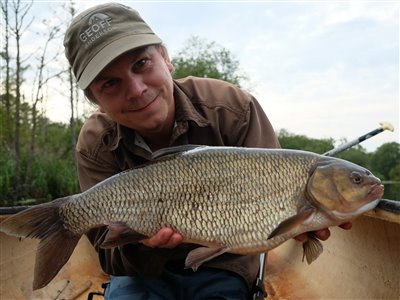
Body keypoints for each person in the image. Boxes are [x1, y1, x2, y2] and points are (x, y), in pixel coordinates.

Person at [63, 3, 351, 299]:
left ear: (165, 57)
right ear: (95, 100)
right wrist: (143, 243)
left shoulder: (235, 109)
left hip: (224, 261)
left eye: (141, 64)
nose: (136, 89)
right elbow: (108, 255)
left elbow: (274, 206)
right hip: (141, 270)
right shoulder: (95, 142)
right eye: (111, 83)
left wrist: (299, 224)